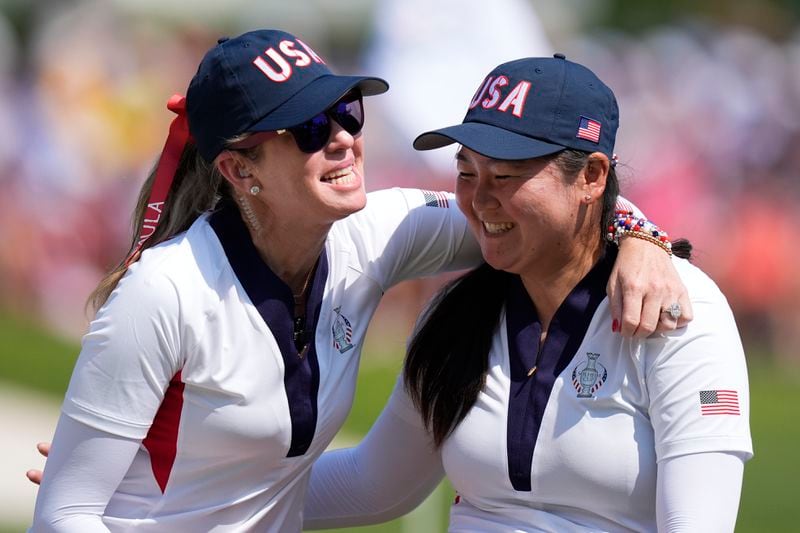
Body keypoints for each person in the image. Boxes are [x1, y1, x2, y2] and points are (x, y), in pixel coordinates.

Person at [28, 29, 689, 532]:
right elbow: (64, 514)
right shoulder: (164, 291)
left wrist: (642, 240)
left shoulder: (380, 231)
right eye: (313, 127)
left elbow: (551, 216)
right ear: (238, 169)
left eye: (349, 112)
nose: (343, 137)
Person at [302, 55, 752, 532]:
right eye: (467, 172)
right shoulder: (455, 313)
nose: (479, 201)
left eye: (506, 175)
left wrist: (643, 238)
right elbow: (375, 484)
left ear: (592, 177)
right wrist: (226, 494)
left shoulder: (678, 305)